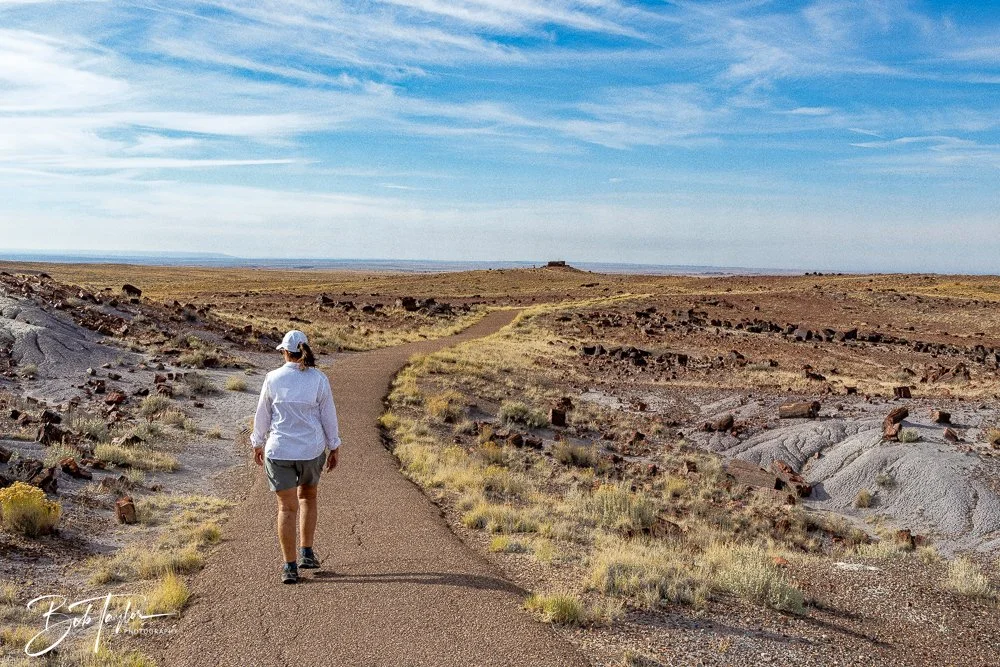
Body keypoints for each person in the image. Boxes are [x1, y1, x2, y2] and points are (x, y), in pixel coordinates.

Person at [251, 330, 341, 584]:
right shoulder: (319, 379)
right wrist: (334, 445)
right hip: (311, 450)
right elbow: (328, 416)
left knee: (286, 508)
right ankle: (307, 553)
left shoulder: (272, 378)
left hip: (279, 451)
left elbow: (262, 414)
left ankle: (290, 567)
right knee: (308, 498)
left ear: (284, 352)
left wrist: (257, 442)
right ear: (305, 350)